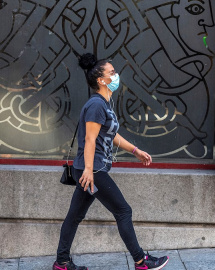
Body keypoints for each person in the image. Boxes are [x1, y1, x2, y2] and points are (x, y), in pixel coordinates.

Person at [53, 53, 169, 270]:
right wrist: (88, 170)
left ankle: (62, 262)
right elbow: (89, 138)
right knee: (123, 211)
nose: (116, 76)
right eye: (112, 73)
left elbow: (111, 134)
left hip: (88, 169)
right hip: (92, 170)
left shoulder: (104, 104)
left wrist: (135, 150)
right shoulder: (97, 105)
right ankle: (141, 261)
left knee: (74, 216)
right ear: (101, 80)